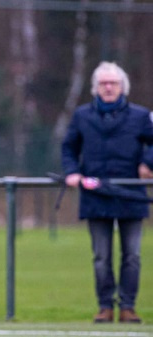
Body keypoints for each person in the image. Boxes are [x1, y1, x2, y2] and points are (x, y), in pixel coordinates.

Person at [62, 61, 153, 324]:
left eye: (113, 83)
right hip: (96, 196)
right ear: (95, 88)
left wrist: (147, 163)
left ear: (122, 86)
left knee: (132, 256)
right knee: (101, 257)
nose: (108, 87)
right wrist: (72, 171)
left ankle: (128, 307)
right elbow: (68, 147)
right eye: (103, 83)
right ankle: (105, 307)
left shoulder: (140, 116)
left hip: (131, 195)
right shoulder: (82, 116)